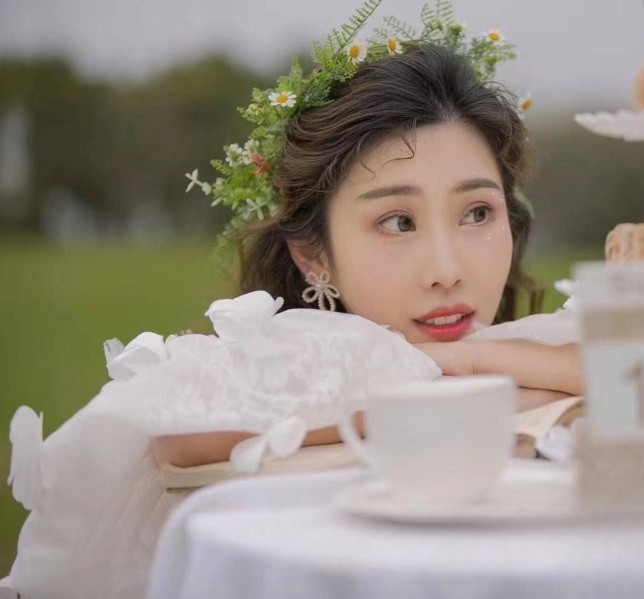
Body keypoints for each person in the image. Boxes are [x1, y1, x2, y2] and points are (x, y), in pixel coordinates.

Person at [3, 4, 585, 597]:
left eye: (477, 213)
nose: (447, 271)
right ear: (314, 255)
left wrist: (474, 362)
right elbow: (178, 431)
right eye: (398, 222)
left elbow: (610, 371)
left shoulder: (505, 348)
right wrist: (467, 383)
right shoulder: (303, 349)